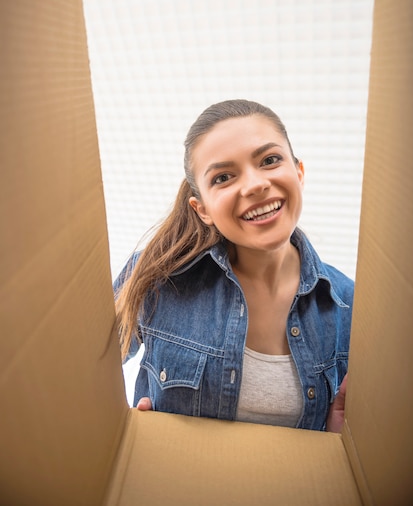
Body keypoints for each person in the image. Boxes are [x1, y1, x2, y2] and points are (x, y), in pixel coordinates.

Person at [114, 99, 353, 432]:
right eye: (223, 177)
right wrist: (124, 431)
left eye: (270, 160)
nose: (255, 185)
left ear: (298, 173)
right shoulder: (153, 278)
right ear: (202, 210)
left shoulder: (351, 306)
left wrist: (344, 441)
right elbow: (76, 375)